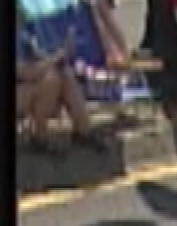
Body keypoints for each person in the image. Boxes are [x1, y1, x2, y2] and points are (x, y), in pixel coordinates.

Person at [16, 18, 108, 155]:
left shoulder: (25, 32)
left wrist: (60, 55)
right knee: (50, 81)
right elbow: (26, 73)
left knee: (65, 75)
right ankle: (39, 136)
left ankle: (83, 129)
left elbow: (39, 59)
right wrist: (59, 55)